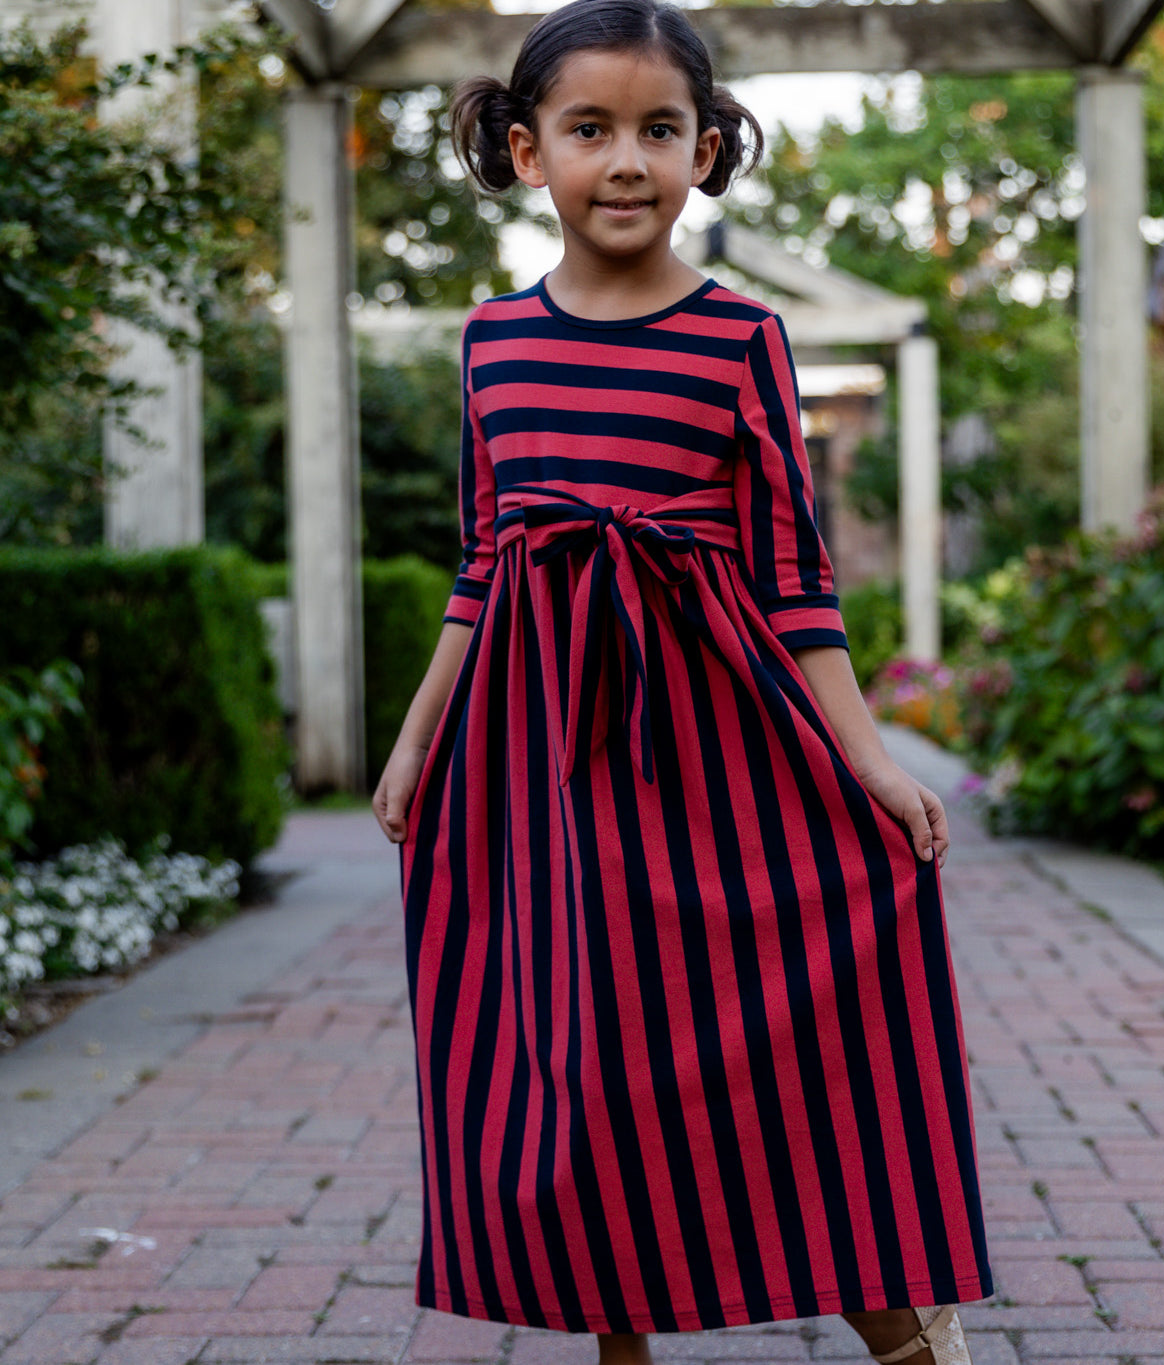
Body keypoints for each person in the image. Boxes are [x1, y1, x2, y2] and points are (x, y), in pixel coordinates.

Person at [372, 2, 993, 1361]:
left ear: (706, 151)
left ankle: (904, 1328)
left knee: (772, 1050)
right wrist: (416, 743)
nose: (628, 160)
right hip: (539, 768)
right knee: (577, 1053)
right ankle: (618, 1341)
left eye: (660, 129)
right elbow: (480, 566)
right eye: (590, 129)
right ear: (526, 151)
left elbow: (794, 579)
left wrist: (875, 763)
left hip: (720, 750)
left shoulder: (738, 343)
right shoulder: (491, 346)